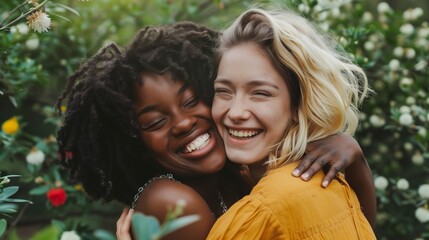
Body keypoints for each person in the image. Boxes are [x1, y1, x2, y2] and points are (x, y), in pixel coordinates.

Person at [56, 22, 374, 240]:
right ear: (136, 142)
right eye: (155, 122)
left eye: (192, 101)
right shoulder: (169, 201)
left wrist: (352, 155)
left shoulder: (235, 173)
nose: (182, 123)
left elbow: (354, 226)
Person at [206, 8, 376, 239]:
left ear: (299, 105)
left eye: (260, 93)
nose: (236, 112)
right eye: (224, 91)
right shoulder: (332, 184)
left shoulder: (262, 212)